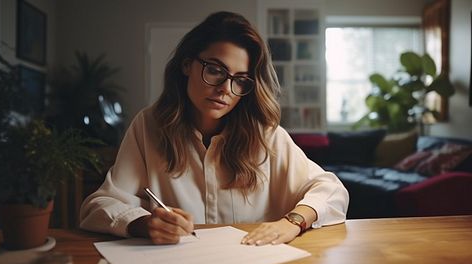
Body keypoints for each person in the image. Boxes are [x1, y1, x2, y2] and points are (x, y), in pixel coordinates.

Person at [80, 11, 349, 246]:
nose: (224, 89)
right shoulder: (149, 126)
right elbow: (99, 205)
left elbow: (332, 190)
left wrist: (293, 221)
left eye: (239, 80)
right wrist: (144, 223)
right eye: (215, 70)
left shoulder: (265, 136)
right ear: (187, 64)